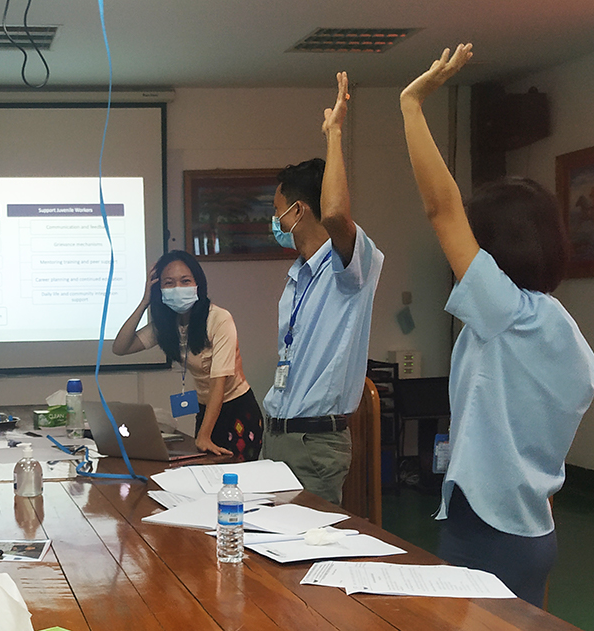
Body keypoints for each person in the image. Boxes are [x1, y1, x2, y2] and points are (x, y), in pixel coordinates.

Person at [400, 43, 594, 607]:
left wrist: (412, 105)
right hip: (536, 531)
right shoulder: (564, 331)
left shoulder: (504, 312)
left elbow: (442, 209)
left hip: (486, 532)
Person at [260, 72, 385, 505]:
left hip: (314, 445)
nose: (275, 223)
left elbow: (334, 215)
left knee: (304, 558)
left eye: (278, 212)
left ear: (297, 210)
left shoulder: (348, 268)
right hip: (276, 435)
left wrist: (334, 135)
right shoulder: (296, 278)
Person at [113, 250, 262, 460]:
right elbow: (120, 347)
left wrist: (203, 435)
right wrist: (145, 301)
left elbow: (219, 382)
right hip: (205, 409)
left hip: (236, 409)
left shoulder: (219, 318)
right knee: (205, 477)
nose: (178, 288)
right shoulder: (167, 324)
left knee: (232, 478)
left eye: (185, 281)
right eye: (169, 283)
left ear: (197, 284)